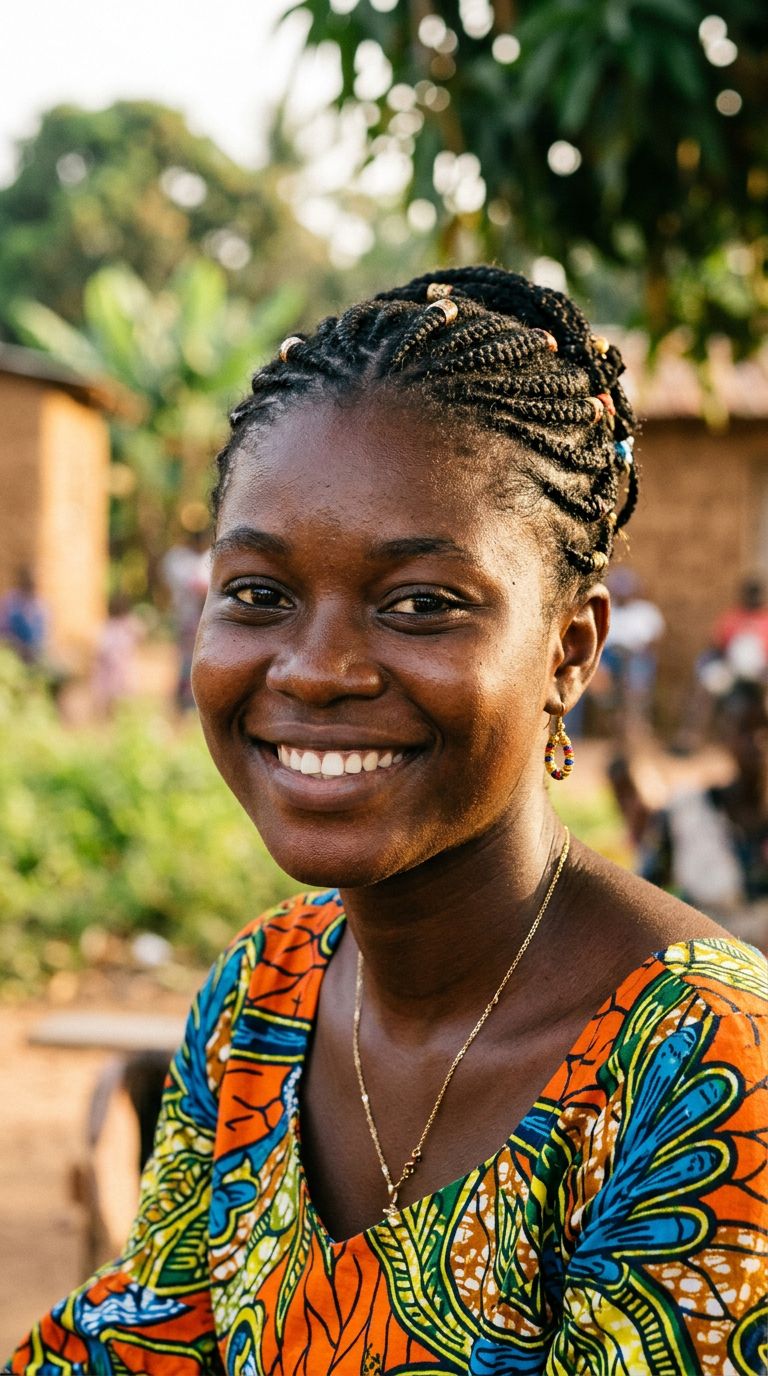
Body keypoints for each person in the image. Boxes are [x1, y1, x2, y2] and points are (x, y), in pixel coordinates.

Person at [11, 268, 766, 1376]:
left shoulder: (706, 1070)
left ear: (570, 650)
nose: (315, 670)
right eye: (258, 594)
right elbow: (149, 1338)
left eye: (420, 604)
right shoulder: (260, 998)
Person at [642, 678, 768, 952]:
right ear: (724, 733)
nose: (758, 742)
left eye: (766, 729)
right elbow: (644, 896)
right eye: (745, 729)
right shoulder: (687, 813)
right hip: (705, 967)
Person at [0, 567, 47, 666]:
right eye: (29, 580)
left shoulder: (40, 605)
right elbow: (3, 632)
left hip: (35, 654)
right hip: (12, 653)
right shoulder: (11, 601)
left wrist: (35, 650)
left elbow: (42, 635)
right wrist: (18, 646)